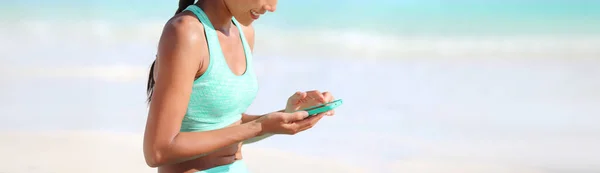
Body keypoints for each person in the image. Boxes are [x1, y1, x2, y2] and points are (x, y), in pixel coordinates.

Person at [143, 0, 337, 172]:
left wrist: (289, 115)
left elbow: (227, 126)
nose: (272, 7)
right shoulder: (187, 32)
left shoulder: (244, 32)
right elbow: (158, 151)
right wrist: (260, 126)